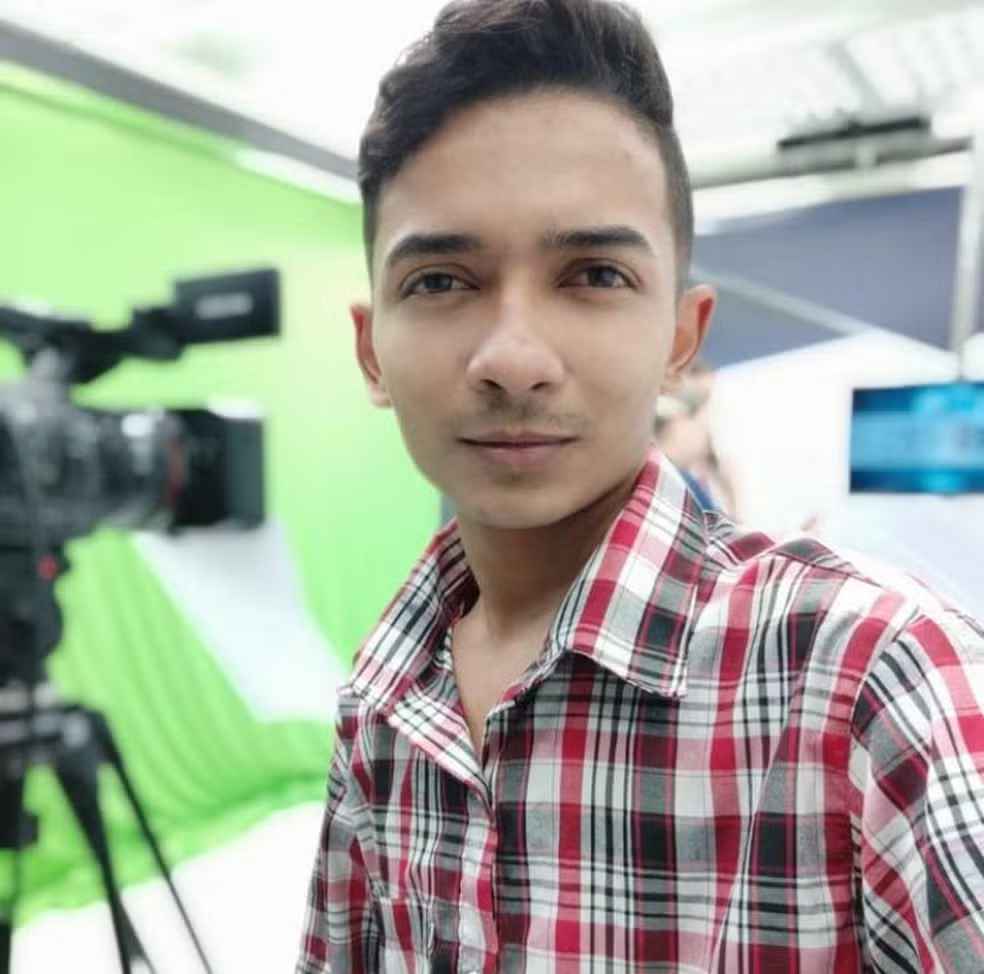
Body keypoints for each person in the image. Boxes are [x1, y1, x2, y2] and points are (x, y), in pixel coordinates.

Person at [297, 1, 984, 970]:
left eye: (594, 274)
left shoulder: (868, 674)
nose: (514, 359)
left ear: (680, 339)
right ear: (372, 350)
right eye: (441, 281)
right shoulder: (385, 690)